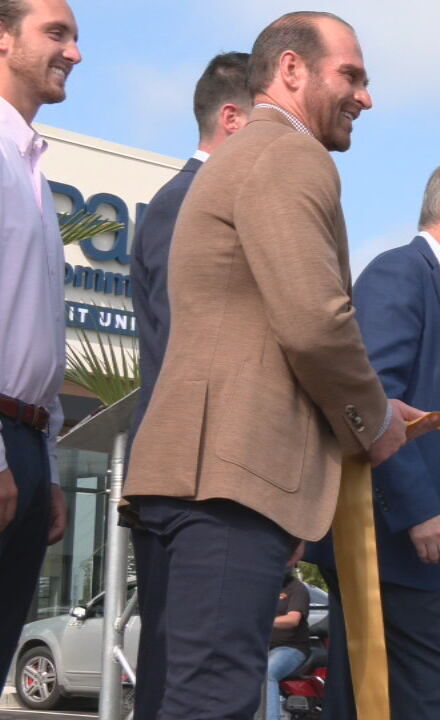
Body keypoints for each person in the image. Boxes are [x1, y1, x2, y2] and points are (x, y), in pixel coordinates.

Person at [123, 12, 432, 719]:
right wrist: (373, 420)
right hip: (230, 481)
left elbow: (267, 327)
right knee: (215, 699)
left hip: (202, 477)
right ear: (291, 70)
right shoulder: (288, 156)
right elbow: (315, 323)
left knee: (193, 692)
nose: (366, 97)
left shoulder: (244, 157)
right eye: (350, 76)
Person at [306, 155, 440, 720]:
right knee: (428, 691)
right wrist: (420, 510)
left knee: (369, 699)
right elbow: (370, 401)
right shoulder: (400, 274)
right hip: (385, 536)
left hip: (411, 548)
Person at [125, 51, 251, 720]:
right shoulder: (190, 203)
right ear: (232, 120)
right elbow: (196, 349)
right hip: (194, 483)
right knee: (184, 681)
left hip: (201, 481)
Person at [0, 0, 79, 685]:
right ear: (2, 38)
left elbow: (38, 340)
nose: (74, 53)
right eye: (56, 34)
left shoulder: (32, 169)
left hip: (26, 444)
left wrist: (46, 470)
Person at [266, 558, 311, 720]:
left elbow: (293, 620)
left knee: (267, 673)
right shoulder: (262, 589)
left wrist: (264, 621)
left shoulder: (296, 589)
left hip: (291, 648)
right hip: (263, 647)